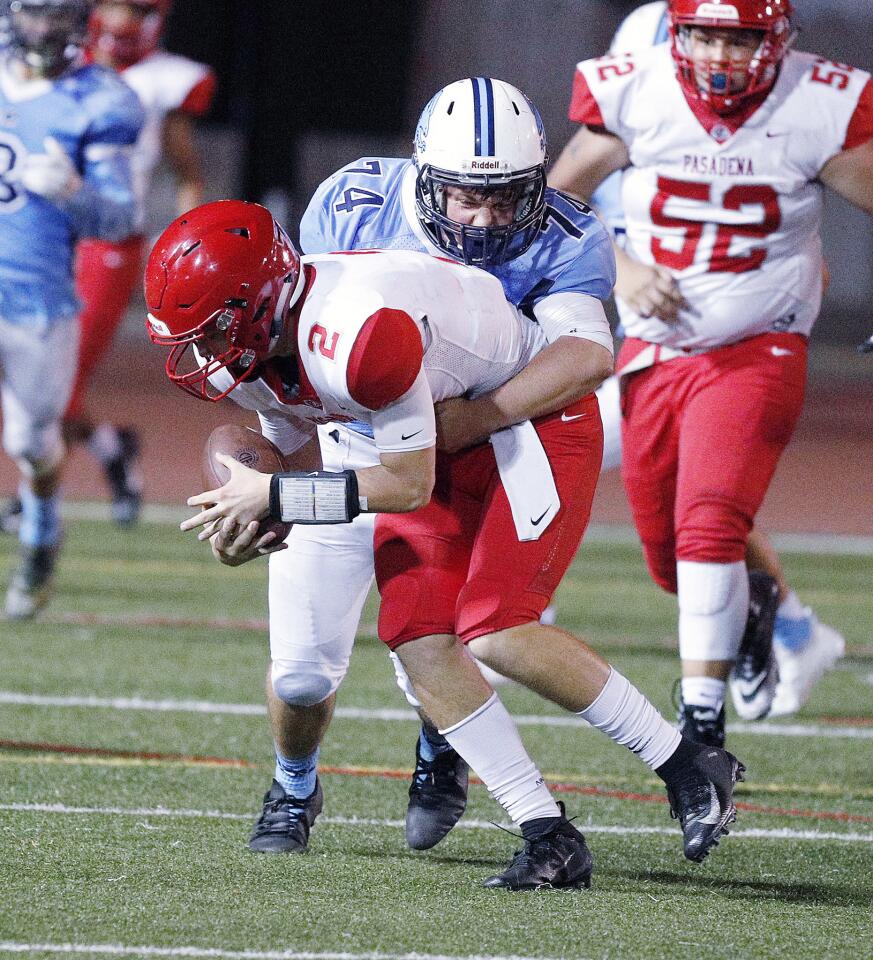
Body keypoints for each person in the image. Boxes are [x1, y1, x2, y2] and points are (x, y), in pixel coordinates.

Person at [146, 198, 745, 889]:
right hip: (436, 438)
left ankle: (688, 764)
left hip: (529, 421)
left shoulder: (360, 336)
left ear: (259, 304)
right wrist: (254, 527)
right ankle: (548, 834)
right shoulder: (257, 351)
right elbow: (304, 462)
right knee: (418, 637)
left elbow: (402, 485)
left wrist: (275, 497)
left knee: (496, 627)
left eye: (213, 329)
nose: (201, 355)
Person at [547, 0, 873, 747]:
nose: (720, 57)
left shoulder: (812, 102)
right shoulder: (634, 90)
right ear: (674, 37)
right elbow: (553, 204)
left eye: (739, 38)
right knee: (669, 555)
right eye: (703, 36)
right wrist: (621, 268)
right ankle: (766, 613)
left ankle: (701, 727)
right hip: (651, 349)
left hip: (759, 341)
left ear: (776, 39)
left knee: (708, 525)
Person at [0, 0, 215, 530]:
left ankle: (38, 503)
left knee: (59, 387)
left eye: (137, 10)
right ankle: (110, 447)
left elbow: (186, 171)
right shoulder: (34, 66)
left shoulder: (166, 80)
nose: (123, 22)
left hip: (105, 239)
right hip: (32, 231)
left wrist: (187, 252)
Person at [0, 0, 143, 618]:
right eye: (31, 13)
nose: (41, 28)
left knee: (31, 443)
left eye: (54, 14)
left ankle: (40, 537)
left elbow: (120, 217)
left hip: (36, 300)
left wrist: (74, 191)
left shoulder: (99, 99)